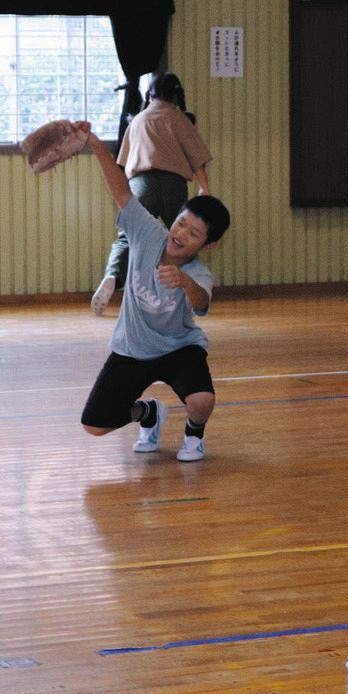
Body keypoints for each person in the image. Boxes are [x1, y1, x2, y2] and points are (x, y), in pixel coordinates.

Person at [79, 124, 230, 463]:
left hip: (179, 349)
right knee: (95, 424)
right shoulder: (148, 234)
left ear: (209, 244)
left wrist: (185, 283)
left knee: (202, 401)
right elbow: (121, 193)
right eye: (181, 223)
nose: (181, 234)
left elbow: (202, 302)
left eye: (194, 234)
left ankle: (194, 435)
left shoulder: (198, 273)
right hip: (132, 348)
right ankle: (148, 414)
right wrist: (94, 144)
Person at [91, 72, 213, 315]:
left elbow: (122, 164)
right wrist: (204, 188)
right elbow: (197, 157)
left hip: (140, 183)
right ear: (176, 95)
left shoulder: (138, 120)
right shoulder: (178, 118)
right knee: (181, 239)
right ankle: (183, 288)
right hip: (173, 184)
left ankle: (112, 276)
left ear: (150, 94)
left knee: (128, 237)